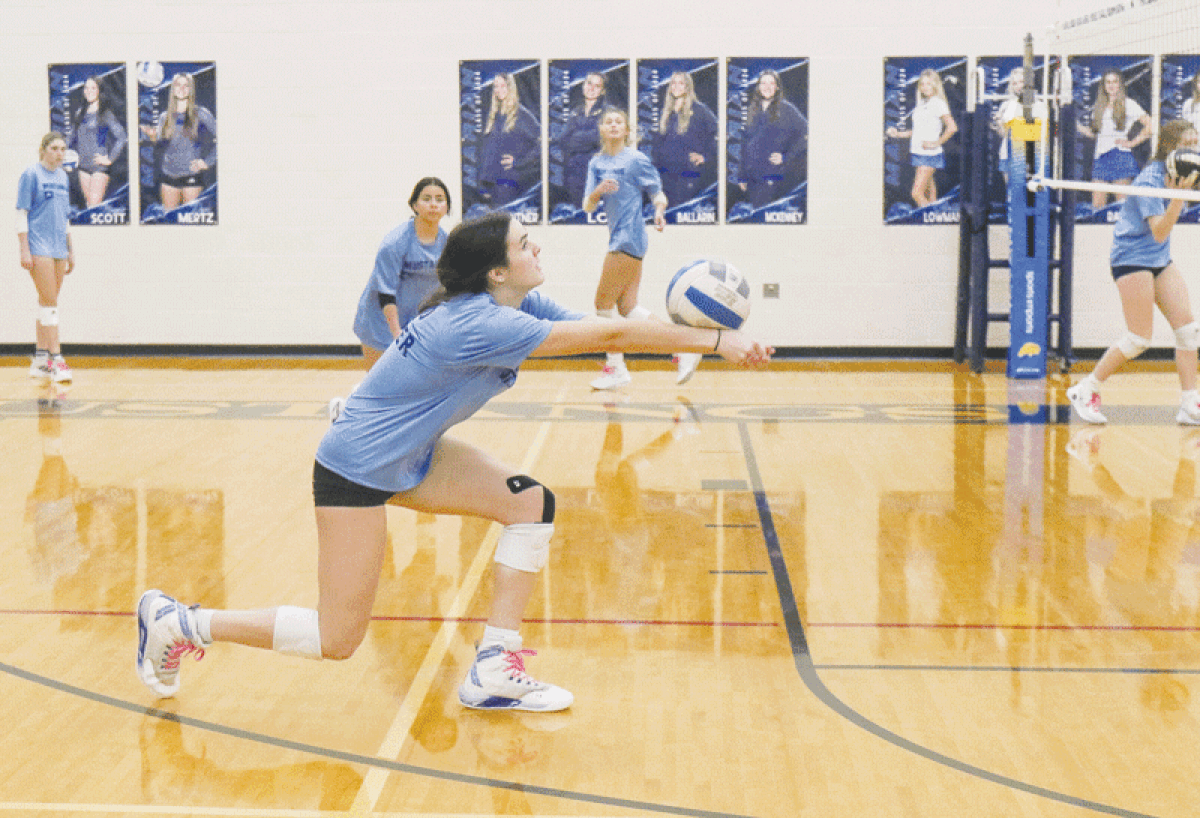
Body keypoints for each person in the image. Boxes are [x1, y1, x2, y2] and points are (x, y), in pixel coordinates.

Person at [136, 211, 773, 712]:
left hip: (411, 454)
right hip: (355, 469)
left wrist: (689, 334)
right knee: (338, 640)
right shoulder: (478, 324)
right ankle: (180, 621)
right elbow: (606, 339)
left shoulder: (511, 305)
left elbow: (598, 325)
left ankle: (496, 667)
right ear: (496, 271)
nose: (536, 250)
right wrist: (716, 339)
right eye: (525, 244)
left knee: (531, 504)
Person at [1067, 119, 1200, 425]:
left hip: (1158, 260)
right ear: (1170, 146)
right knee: (1139, 339)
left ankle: (1190, 403)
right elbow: (1159, 232)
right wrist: (1179, 198)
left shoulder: (1185, 173)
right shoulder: (1149, 181)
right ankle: (1086, 389)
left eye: (1195, 143)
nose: (1193, 150)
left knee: (1188, 330)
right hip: (1132, 257)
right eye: (1187, 144)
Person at [583, 107, 701, 389]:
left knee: (602, 305)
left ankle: (616, 368)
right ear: (601, 128)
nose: (613, 126)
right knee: (627, 307)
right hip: (618, 236)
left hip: (630, 236)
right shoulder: (596, 163)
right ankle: (684, 347)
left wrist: (659, 211)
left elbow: (658, 193)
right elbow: (588, 206)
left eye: (618, 122)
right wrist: (598, 191)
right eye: (608, 122)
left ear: (626, 130)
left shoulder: (637, 160)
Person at [352, 177, 452, 369]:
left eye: (439, 199)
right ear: (414, 205)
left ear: (447, 207)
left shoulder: (447, 244)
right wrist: (396, 333)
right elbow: (386, 293)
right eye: (426, 199)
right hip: (382, 322)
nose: (433, 205)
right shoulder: (395, 242)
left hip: (416, 323)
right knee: (381, 383)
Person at [17, 132, 75, 384]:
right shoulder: (31, 175)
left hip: (58, 247)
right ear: (43, 150)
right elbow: (21, 213)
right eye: (54, 148)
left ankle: (40, 360)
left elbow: (65, 217)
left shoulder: (63, 177)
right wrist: (24, 249)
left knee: (46, 302)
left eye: (63, 149)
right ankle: (56, 360)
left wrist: (71, 249)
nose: (60, 153)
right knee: (51, 305)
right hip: (38, 246)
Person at [1077, 70, 1152, 211]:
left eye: (1115, 81)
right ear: (1104, 85)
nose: (1111, 85)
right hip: (1100, 158)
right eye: (1108, 82)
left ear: (1120, 85)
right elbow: (1095, 134)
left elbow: (1151, 125)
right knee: (1097, 207)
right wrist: (1076, 125)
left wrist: (1132, 143)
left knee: (1123, 207)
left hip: (1120, 156)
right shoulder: (1099, 106)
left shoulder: (1129, 104)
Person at [141, 72, 217, 210]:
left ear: (190, 89)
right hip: (168, 178)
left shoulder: (200, 113)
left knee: (190, 222)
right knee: (169, 222)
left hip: (191, 177)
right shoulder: (165, 117)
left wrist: (207, 162)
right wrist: (152, 136)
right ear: (173, 89)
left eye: (186, 85)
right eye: (178, 85)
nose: (181, 89)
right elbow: (160, 146)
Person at [886, 68, 957, 208]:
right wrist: (898, 133)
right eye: (922, 84)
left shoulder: (938, 103)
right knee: (930, 195)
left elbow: (952, 127)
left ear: (935, 85)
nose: (925, 87)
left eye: (929, 84)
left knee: (916, 193)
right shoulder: (922, 104)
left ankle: (931, 224)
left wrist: (936, 143)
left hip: (929, 155)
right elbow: (918, 131)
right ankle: (933, 219)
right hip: (918, 153)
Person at [737, 69, 808, 209]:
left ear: (777, 87)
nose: (767, 87)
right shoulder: (752, 110)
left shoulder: (786, 108)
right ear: (758, 87)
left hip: (772, 179)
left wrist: (786, 157)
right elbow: (744, 144)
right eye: (763, 83)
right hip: (752, 180)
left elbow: (807, 135)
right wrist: (742, 176)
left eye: (771, 83)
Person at [652, 71, 717, 208]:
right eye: (673, 83)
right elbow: (657, 144)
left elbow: (720, 135)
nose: (676, 86)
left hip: (687, 176)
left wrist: (705, 157)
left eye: (681, 83)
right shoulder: (665, 112)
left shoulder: (700, 110)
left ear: (687, 87)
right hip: (664, 177)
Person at [478, 74, 540, 207]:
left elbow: (542, 144)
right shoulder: (495, 114)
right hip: (491, 185)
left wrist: (519, 161)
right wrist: (484, 183)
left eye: (503, 86)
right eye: (496, 86)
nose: (498, 90)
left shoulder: (521, 114)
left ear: (510, 87)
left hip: (508, 183)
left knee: (506, 224)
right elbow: (490, 152)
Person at [69, 76, 127, 209]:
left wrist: (110, 159)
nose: (89, 91)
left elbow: (122, 137)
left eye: (93, 88)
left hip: (99, 168)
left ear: (99, 90)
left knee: (94, 207)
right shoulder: (80, 113)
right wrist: (65, 156)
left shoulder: (105, 113)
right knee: (89, 207)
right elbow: (71, 137)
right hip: (83, 166)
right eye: (86, 88)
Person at [557, 72, 607, 208]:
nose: (591, 88)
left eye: (597, 86)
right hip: (573, 177)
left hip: (596, 178)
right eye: (589, 83)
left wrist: (576, 139)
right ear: (583, 85)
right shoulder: (575, 112)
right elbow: (562, 141)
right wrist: (583, 140)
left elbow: (598, 137)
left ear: (602, 91)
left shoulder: (607, 113)